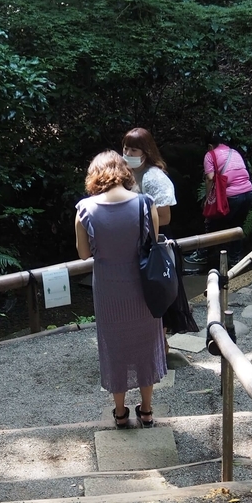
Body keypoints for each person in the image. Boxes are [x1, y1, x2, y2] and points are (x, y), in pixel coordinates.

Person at [74, 150, 166, 428]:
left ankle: (121, 412)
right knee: (145, 343)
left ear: (95, 176)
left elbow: (83, 254)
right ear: (124, 172)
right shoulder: (144, 203)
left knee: (114, 346)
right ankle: (147, 410)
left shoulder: (85, 209)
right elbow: (154, 240)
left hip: (108, 290)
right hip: (144, 286)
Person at [202, 135, 252, 267]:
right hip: (248, 192)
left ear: (209, 146)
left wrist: (208, 198)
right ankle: (235, 260)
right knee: (237, 226)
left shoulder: (210, 154)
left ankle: (208, 257)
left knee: (218, 226)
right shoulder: (234, 152)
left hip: (232, 195)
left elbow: (210, 178)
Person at [121, 127, 177, 229]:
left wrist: (135, 226)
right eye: (126, 148)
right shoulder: (121, 172)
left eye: (134, 150)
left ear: (146, 153)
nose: (128, 153)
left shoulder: (154, 178)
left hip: (149, 236)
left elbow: (164, 218)